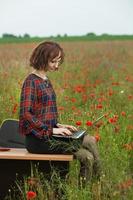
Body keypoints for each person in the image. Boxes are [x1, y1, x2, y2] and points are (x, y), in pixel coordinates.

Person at [19, 41, 101, 184]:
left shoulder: (46, 80)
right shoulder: (31, 81)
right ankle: (100, 182)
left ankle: (91, 189)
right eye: (53, 61)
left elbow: (45, 113)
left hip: (50, 134)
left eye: (58, 61)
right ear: (42, 58)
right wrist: (52, 130)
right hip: (38, 140)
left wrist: (60, 125)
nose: (56, 66)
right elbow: (26, 114)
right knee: (89, 146)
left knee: (88, 154)